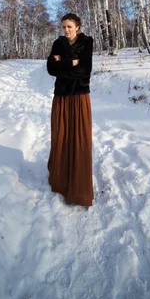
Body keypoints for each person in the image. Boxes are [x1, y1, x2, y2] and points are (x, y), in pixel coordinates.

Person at [46, 13, 94, 207]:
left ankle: (78, 187)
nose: (66, 30)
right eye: (64, 27)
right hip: (61, 97)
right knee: (61, 136)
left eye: (69, 26)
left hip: (80, 97)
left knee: (80, 138)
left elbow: (85, 70)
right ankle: (61, 180)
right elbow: (51, 69)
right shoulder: (57, 43)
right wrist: (72, 62)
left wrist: (63, 64)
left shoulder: (86, 43)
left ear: (78, 27)